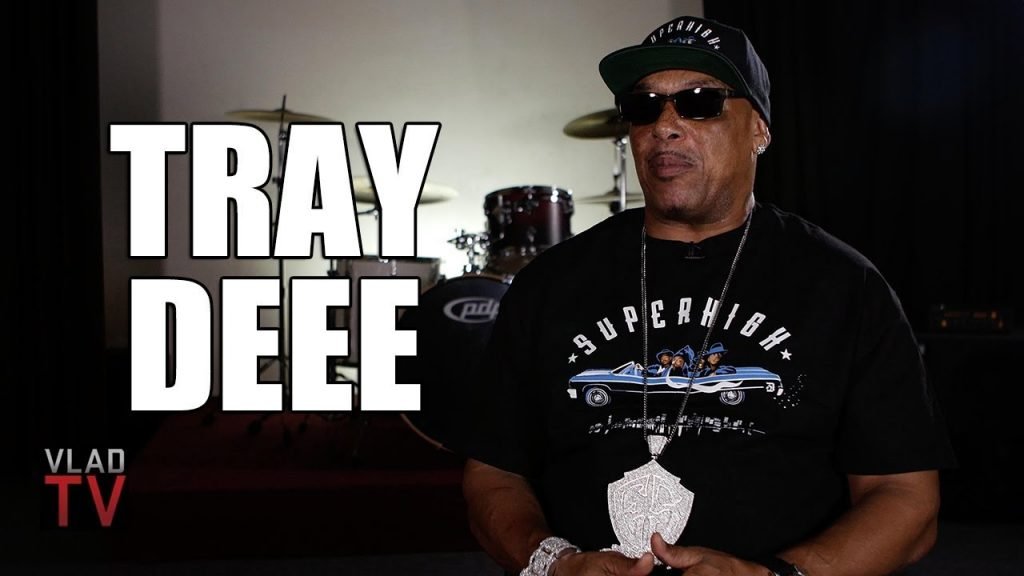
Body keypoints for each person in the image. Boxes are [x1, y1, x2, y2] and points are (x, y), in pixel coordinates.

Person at [460, 15, 954, 576]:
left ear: (759, 129)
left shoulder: (844, 285)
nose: (665, 126)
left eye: (700, 102)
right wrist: (554, 563)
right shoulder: (550, 284)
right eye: (644, 106)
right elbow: (493, 473)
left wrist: (775, 575)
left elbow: (905, 495)